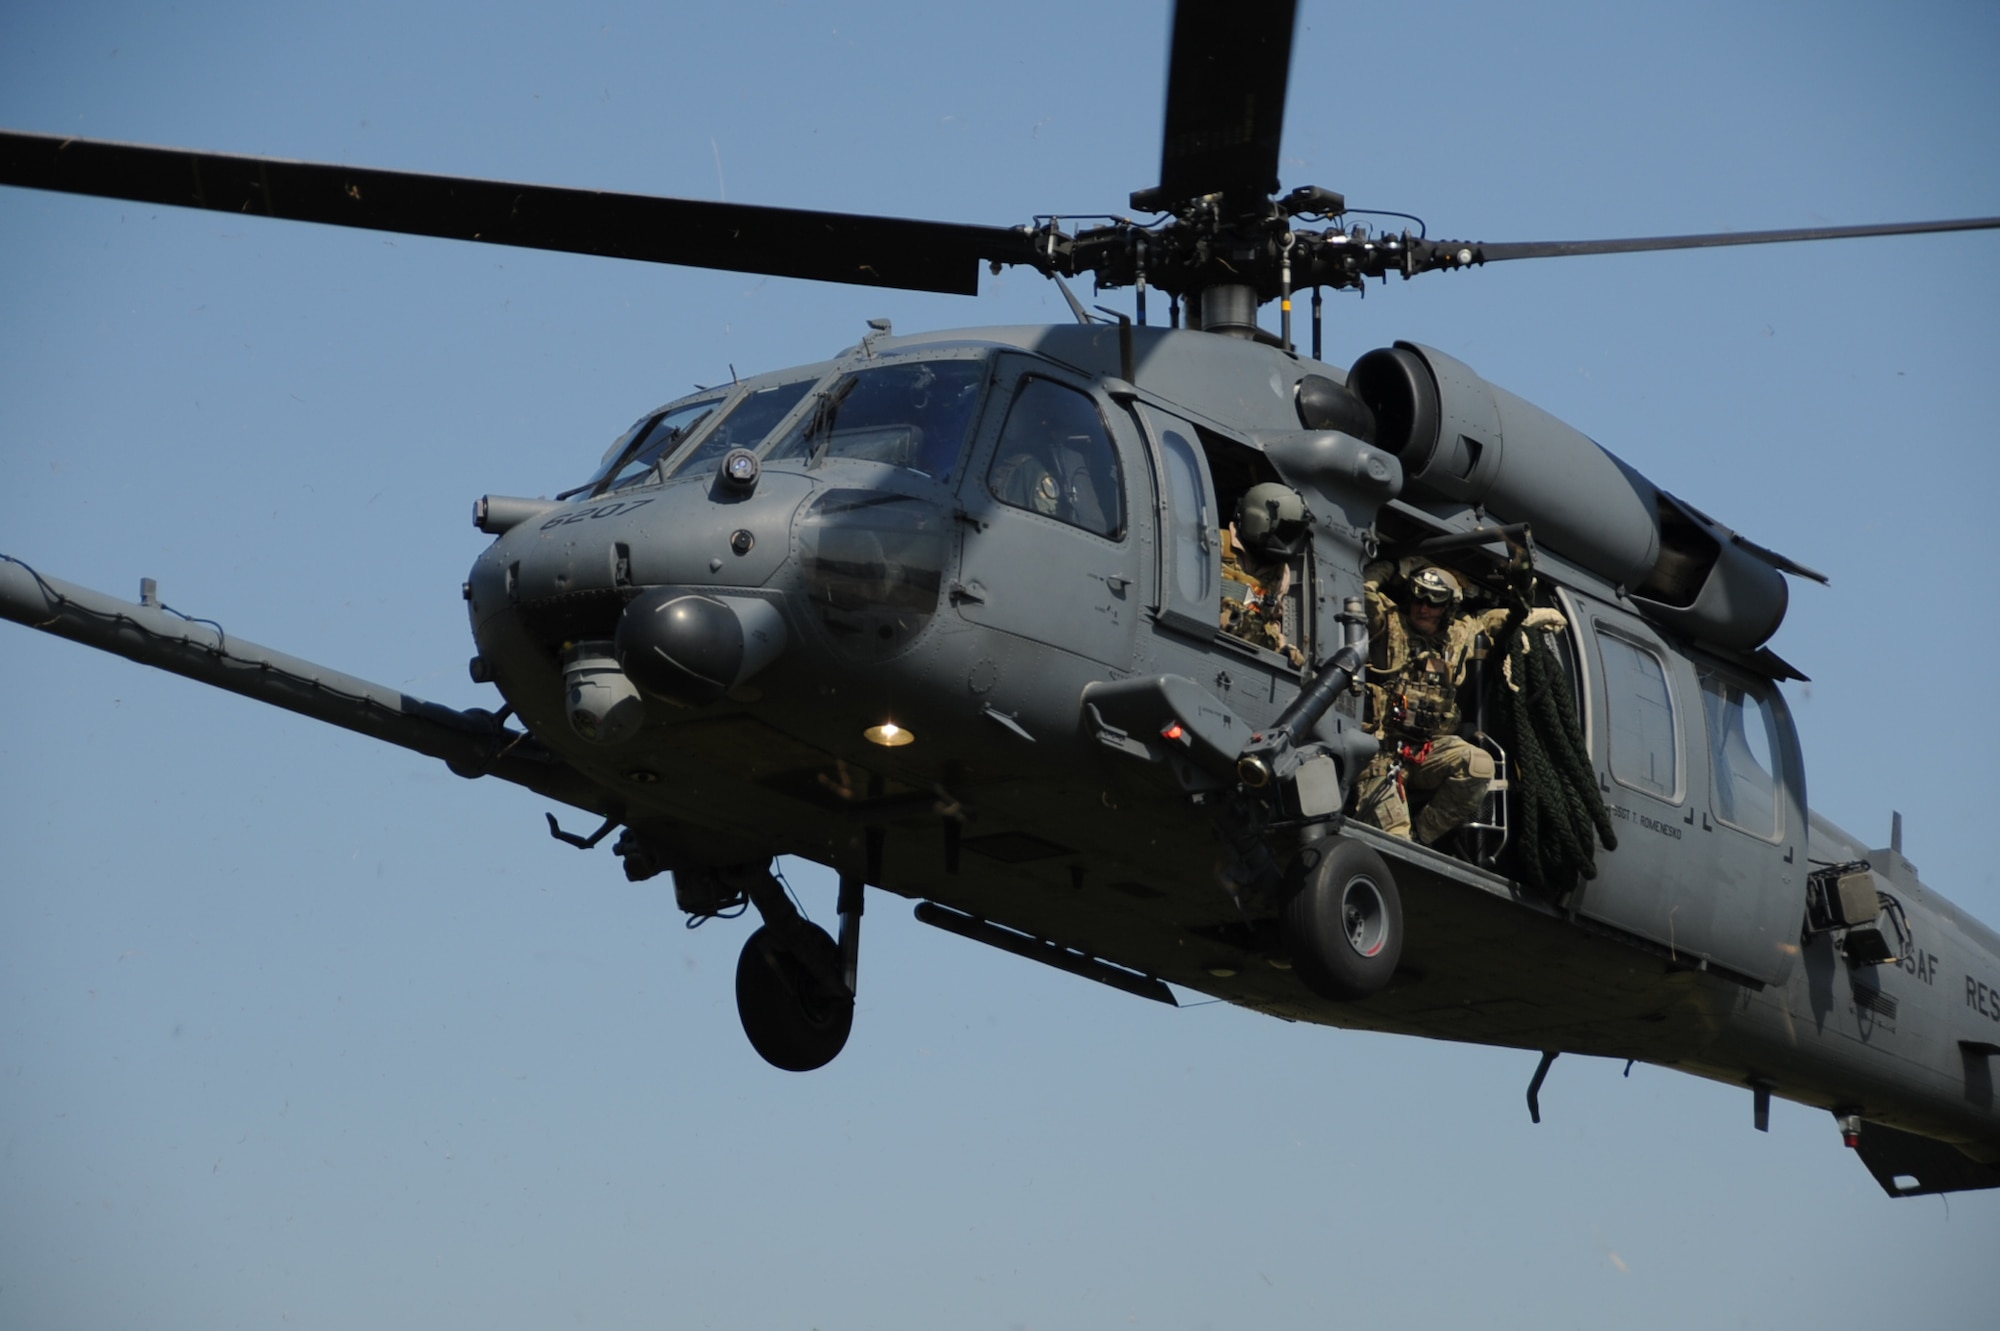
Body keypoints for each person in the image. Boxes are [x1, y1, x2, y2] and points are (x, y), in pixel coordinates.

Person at [1351, 560, 1521, 845]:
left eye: (1434, 602)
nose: (1424, 608)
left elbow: (1492, 621)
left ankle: (1421, 836)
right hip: (1379, 754)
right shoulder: (1390, 623)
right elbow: (1363, 589)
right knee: (1395, 839)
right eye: (1419, 598)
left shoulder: (1458, 636)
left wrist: (1528, 610)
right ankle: (1401, 838)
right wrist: (1394, 567)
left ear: (1448, 609)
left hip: (1426, 753)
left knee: (1478, 763)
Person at [1219, 482, 1307, 667]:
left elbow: (1273, 619)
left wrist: (1283, 647)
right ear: (1257, 521)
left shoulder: (1280, 572)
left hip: (1245, 660)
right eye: (1283, 533)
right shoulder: (1218, 544)